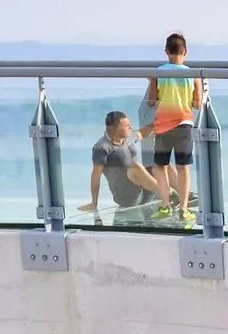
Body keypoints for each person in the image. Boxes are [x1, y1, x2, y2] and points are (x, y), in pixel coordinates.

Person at [142, 33, 203, 223]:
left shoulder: (158, 72)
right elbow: (197, 104)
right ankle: (184, 209)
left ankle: (165, 204)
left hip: (163, 126)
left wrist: (153, 81)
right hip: (184, 124)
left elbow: (151, 102)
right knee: (183, 168)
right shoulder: (193, 75)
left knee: (160, 166)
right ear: (185, 52)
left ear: (166, 52)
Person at [78, 111, 162, 222]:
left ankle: (184, 195)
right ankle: (166, 195)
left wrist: (161, 122)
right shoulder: (102, 147)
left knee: (163, 166)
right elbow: (95, 176)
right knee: (135, 167)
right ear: (114, 129)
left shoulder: (127, 137)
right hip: (126, 196)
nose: (130, 127)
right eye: (127, 126)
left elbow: (142, 133)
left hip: (144, 192)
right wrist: (94, 203)